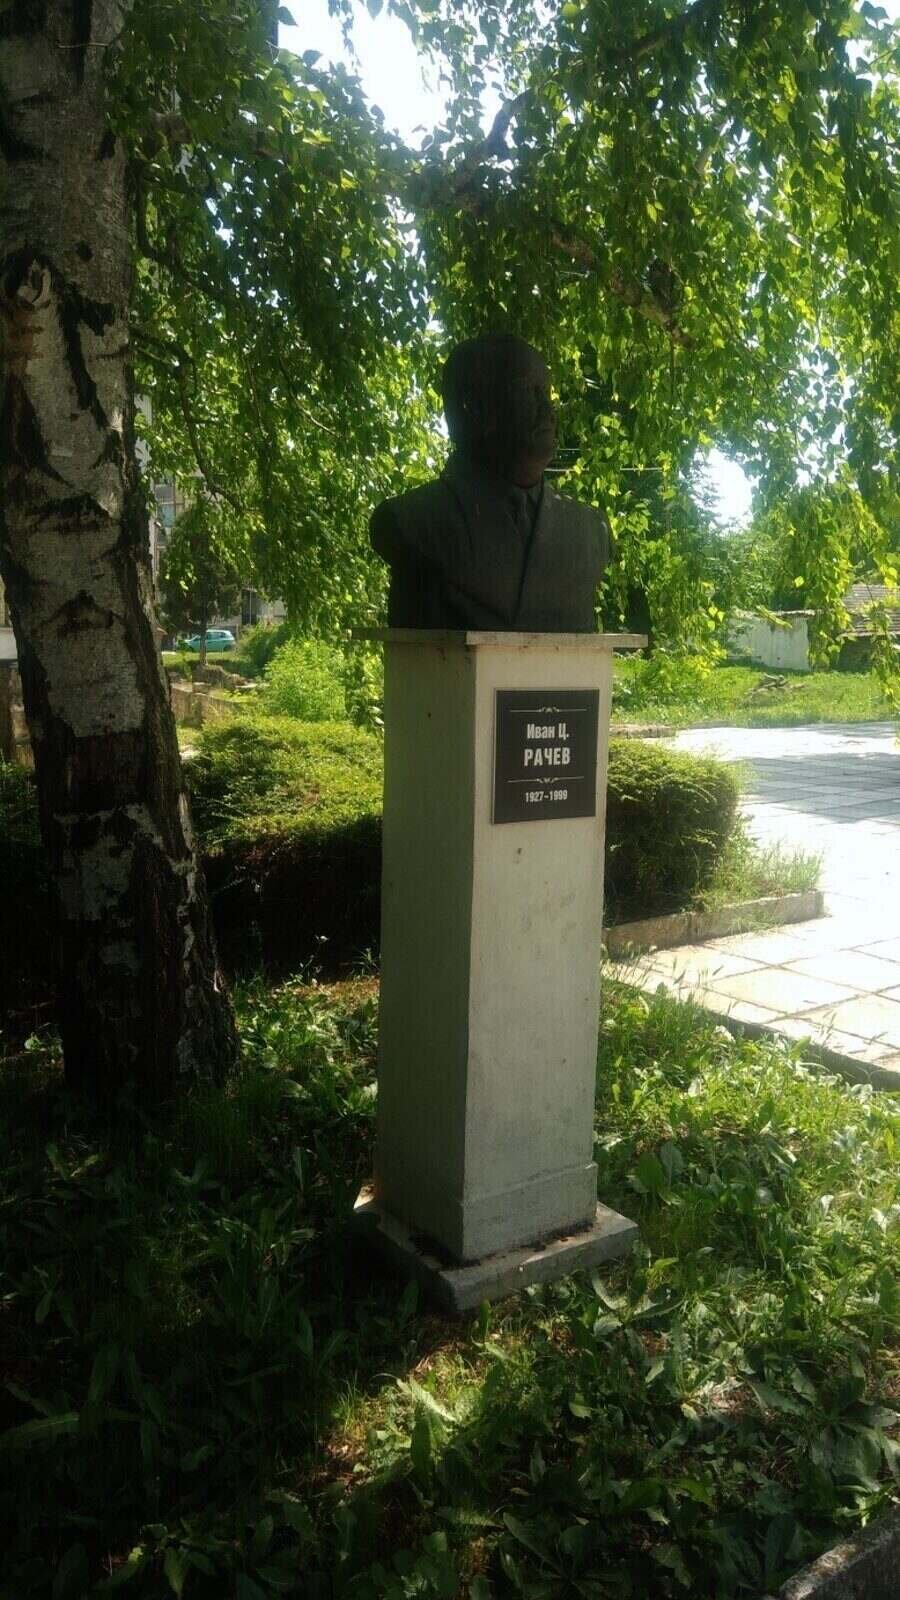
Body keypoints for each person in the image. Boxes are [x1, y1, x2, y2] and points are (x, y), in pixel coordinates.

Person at [370, 334, 610, 631]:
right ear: (474, 407)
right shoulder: (412, 523)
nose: (548, 410)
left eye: (546, 392)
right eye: (528, 390)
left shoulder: (590, 531)